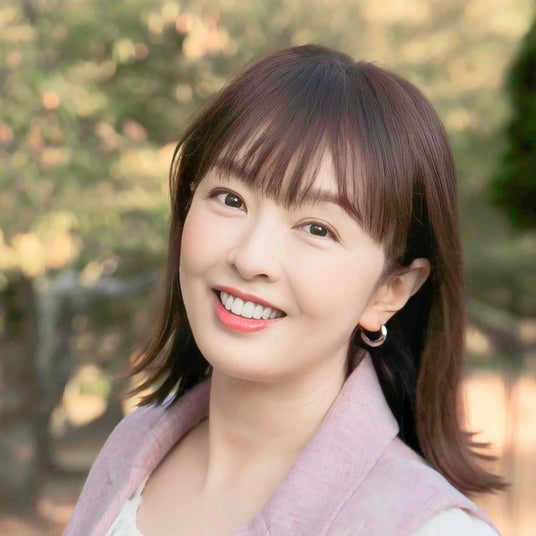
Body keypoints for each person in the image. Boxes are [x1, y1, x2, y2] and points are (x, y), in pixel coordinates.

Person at [65, 44, 504, 535]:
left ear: (391, 290)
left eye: (318, 229)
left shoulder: (426, 528)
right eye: (230, 199)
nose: (251, 258)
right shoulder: (132, 447)